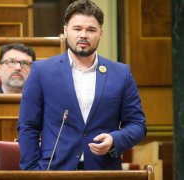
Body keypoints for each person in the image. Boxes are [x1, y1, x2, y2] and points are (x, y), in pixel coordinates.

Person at [18, 0, 147, 170]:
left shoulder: (120, 74)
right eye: (77, 29)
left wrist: (115, 139)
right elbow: (28, 125)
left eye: (91, 30)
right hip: (54, 170)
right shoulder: (42, 71)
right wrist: (31, 171)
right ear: (66, 31)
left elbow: (137, 124)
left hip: (103, 171)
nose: (83, 35)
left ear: (101, 33)